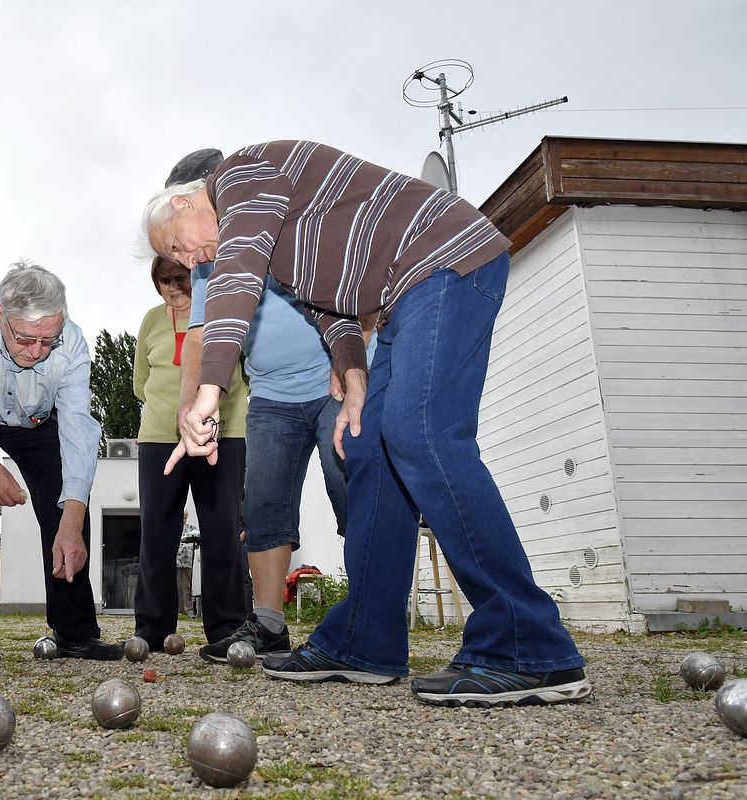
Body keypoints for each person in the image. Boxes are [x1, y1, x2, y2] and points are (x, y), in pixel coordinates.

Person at [144, 140, 590, 707]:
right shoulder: (281, 239)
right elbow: (329, 308)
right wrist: (354, 381)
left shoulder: (240, 177)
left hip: (445, 262)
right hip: (408, 293)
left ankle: (529, 643)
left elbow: (236, 281)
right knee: (371, 450)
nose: (191, 263)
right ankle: (366, 640)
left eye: (177, 247)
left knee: (421, 434)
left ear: (187, 202)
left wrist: (209, 393)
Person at [158, 149, 354, 665]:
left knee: (351, 487)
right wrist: (189, 409)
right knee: (264, 505)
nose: (186, 254)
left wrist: (350, 361)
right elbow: (200, 341)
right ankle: (268, 624)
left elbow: (350, 285)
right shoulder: (204, 264)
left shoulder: (275, 219)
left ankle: (368, 613)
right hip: (270, 394)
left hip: (332, 381)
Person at [0, 262, 122, 663]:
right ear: (0, 315)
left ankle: (75, 632)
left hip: (33, 420)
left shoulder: (73, 345)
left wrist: (72, 518)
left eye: (48, 340)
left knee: (68, 499)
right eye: (26, 338)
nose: (37, 352)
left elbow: (78, 430)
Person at [131, 255, 249, 651]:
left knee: (223, 533)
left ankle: (226, 628)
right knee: (156, 535)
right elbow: (140, 383)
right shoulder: (150, 320)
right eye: (164, 280)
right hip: (159, 439)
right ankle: (152, 628)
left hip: (223, 434)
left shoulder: (223, 311)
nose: (173, 288)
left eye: (181, 278)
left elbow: (239, 374)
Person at [176, 511, 198, 617]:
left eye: (185, 518)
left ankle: (188, 609)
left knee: (187, 585)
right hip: (174, 560)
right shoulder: (173, 527)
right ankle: (176, 609)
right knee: (174, 585)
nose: (184, 520)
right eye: (182, 517)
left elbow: (198, 540)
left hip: (187, 561)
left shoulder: (191, 528)